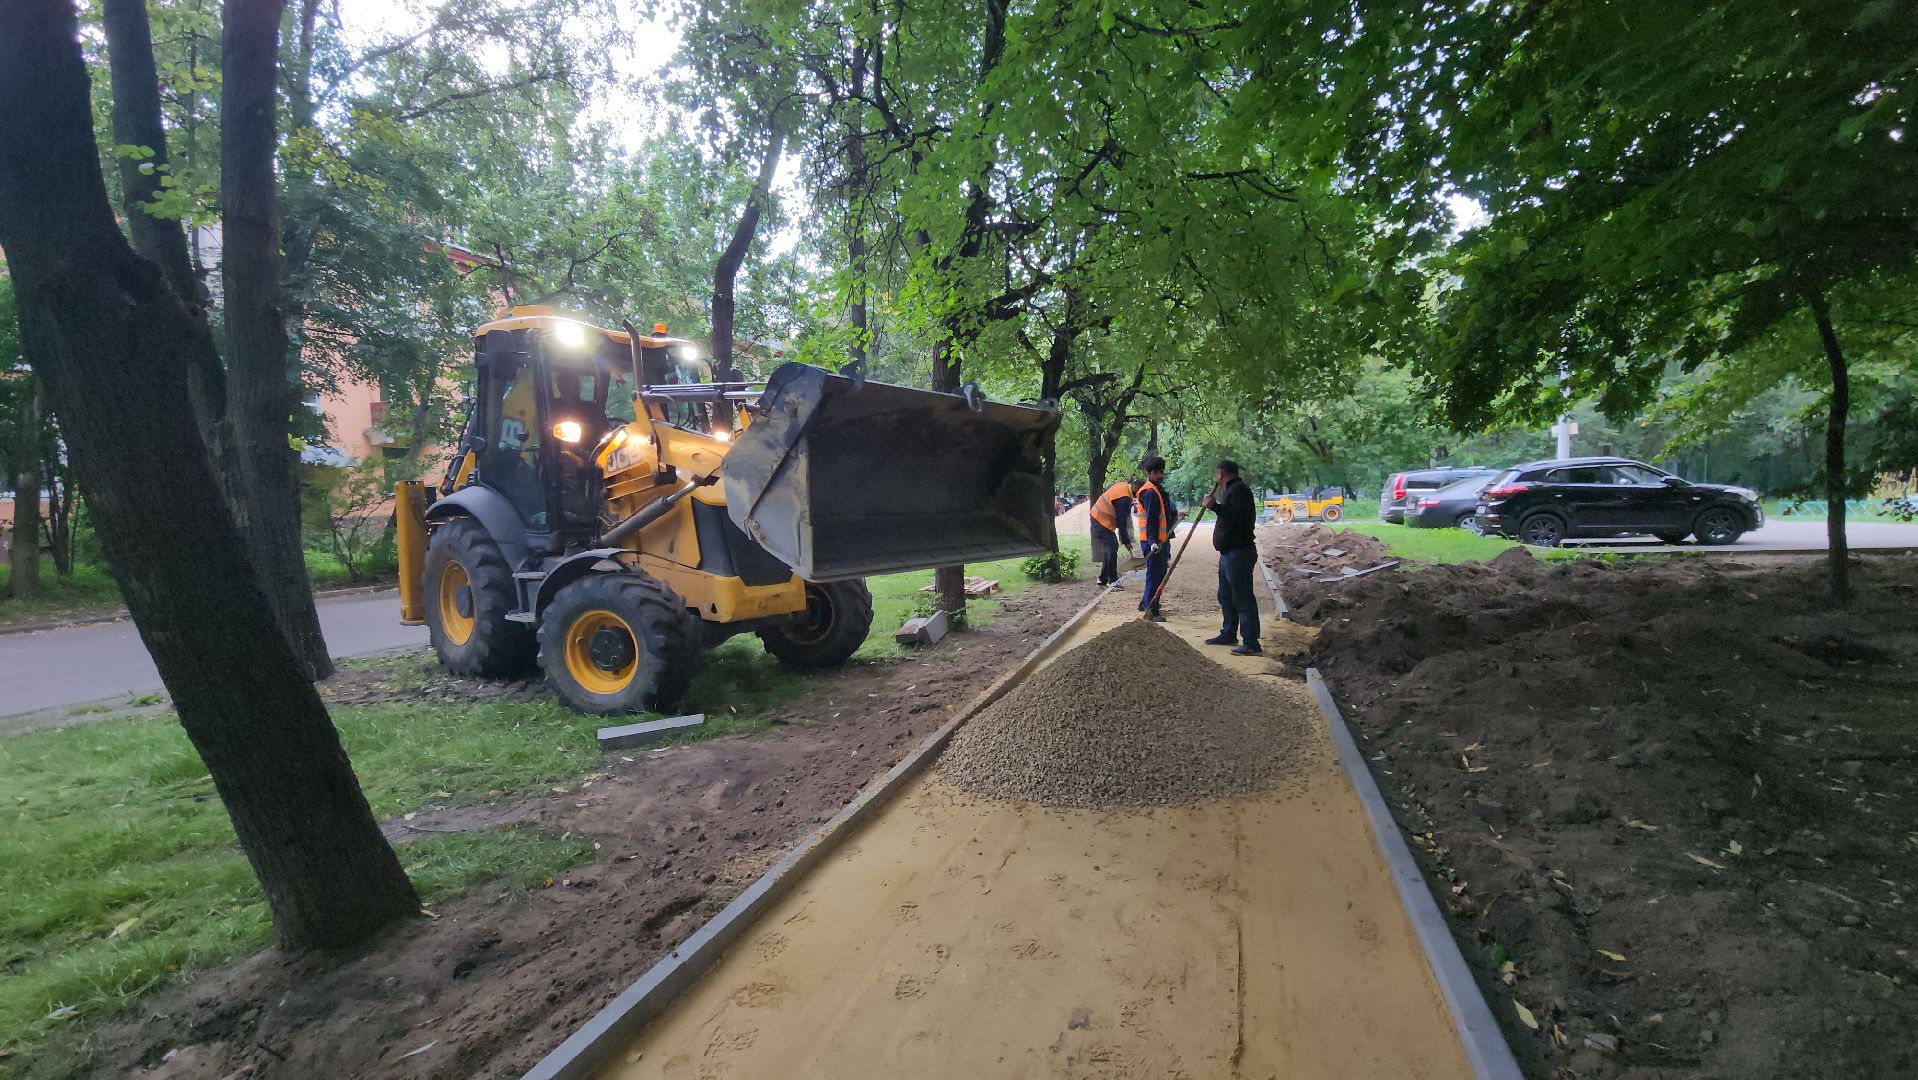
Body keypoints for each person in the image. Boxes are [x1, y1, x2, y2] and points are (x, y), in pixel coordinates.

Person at [1202, 459, 1261, 655]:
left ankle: (1251, 642)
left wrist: (1214, 507)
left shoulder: (1240, 491)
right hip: (1228, 554)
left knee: (1242, 597)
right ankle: (1228, 632)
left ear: (1220, 474)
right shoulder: (1230, 491)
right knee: (1225, 596)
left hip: (1239, 553)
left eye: (1215, 474)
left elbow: (1236, 518)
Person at [1133, 456, 1177, 622]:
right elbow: (1151, 519)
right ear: (1149, 473)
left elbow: (1161, 515)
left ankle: (1145, 603)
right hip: (1153, 542)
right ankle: (1152, 609)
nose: (1161, 475)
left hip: (1160, 540)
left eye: (1162, 472)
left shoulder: (1156, 489)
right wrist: (1152, 542)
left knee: (1159, 573)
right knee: (1155, 575)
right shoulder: (1150, 492)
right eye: (1158, 472)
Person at [1088, 478, 1137, 588]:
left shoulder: (1123, 486)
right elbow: (1121, 522)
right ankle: (1113, 580)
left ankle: (1102, 579)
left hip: (1098, 517)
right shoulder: (1124, 498)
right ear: (1137, 490)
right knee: (1112, 546)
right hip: (1100, 520)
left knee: (1108, 549)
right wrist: (1126, 542)